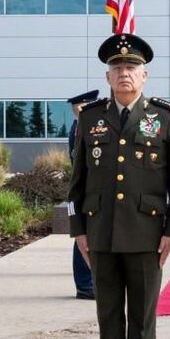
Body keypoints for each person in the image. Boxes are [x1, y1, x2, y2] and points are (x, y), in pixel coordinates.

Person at [67, 32, 170, 339]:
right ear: (108, 76)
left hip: (147, 235)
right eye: (117, 67)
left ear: (145, 75)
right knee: (108, 318)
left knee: (141, 318)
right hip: (101, 233)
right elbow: (77, 183)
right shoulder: (91, 119)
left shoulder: (165, 118)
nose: (125, 73)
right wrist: (78, 231)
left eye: (132, 67)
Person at [67, 90, 100, 300]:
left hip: (91, 190)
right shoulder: (80, 127)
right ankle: (85, 285)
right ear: (81, 107)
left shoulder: (84, 125)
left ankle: (88, 283)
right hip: (86, 190)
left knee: (89, 236)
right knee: (84, 237)